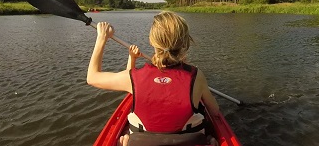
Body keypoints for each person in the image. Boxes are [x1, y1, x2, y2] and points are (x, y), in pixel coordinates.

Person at [87, 11, 220, 146]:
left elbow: (92, 77)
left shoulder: (133, 77)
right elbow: (215, 112)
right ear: (184, 43)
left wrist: (102, 38)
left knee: (124, 140)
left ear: (151, 41)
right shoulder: (196, 76)